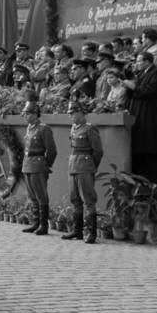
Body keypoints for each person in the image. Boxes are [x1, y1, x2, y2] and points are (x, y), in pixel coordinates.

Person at [62, 101, 102, 244]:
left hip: (85, 167)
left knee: (88, 200)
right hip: (73, 166)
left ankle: (91, 233)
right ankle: (77, 231)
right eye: (70, 113)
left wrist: (91, 166)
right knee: (75, 199)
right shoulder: (74, 128)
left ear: (80, 112)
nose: (70, 116)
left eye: (73, 113)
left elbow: (98, 151)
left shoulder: (90, 128)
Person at [125, 51, 157, 183]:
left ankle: (151, 181)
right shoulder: (141, 73)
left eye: (139, 61)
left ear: (147, 61)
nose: (137, 63)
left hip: (149, 114)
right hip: (137, 112)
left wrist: (134, 86)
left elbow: (151, 91)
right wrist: (129, 86)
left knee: (148, 146)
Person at [19, 101, 57, 236]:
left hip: (38, 165)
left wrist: (46, 165)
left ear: (35, 114)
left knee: (41, 196)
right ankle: (36, 223)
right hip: (27, 164)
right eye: (24, 113)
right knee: (32, 196)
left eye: (27, 113)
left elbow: (52, 150)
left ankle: (43, 225)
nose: (25, 116)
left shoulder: (44, 129)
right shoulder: (29, 128)